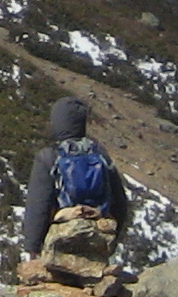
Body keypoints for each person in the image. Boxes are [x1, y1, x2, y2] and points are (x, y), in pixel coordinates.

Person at [16, 95, 132, 285]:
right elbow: (119, 202)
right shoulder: (99, 154)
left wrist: (32, 247)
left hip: (60, 241)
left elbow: (38, 206)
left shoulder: (49, 156)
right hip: (96, 237)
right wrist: (111, 234)